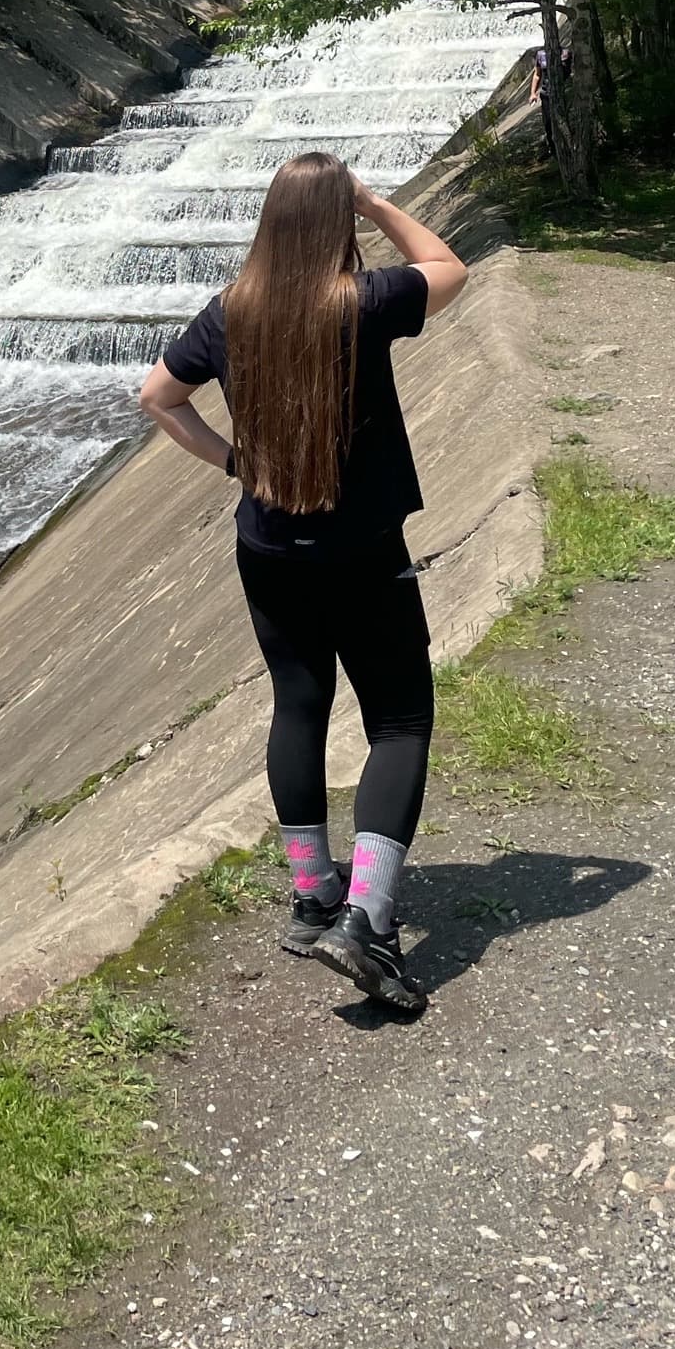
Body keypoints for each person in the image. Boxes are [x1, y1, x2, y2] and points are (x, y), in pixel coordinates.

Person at [137, 153, 467, 1012]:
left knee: (298, 704)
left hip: (269, 548)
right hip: (362, 553)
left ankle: (312, 894)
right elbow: (449, 269)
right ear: (334, 224)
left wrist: (235, 462)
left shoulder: (228, 314)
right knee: (399, 719)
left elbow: (157, 397)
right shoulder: (361, 304)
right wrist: (374, 202)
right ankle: (368, 920)